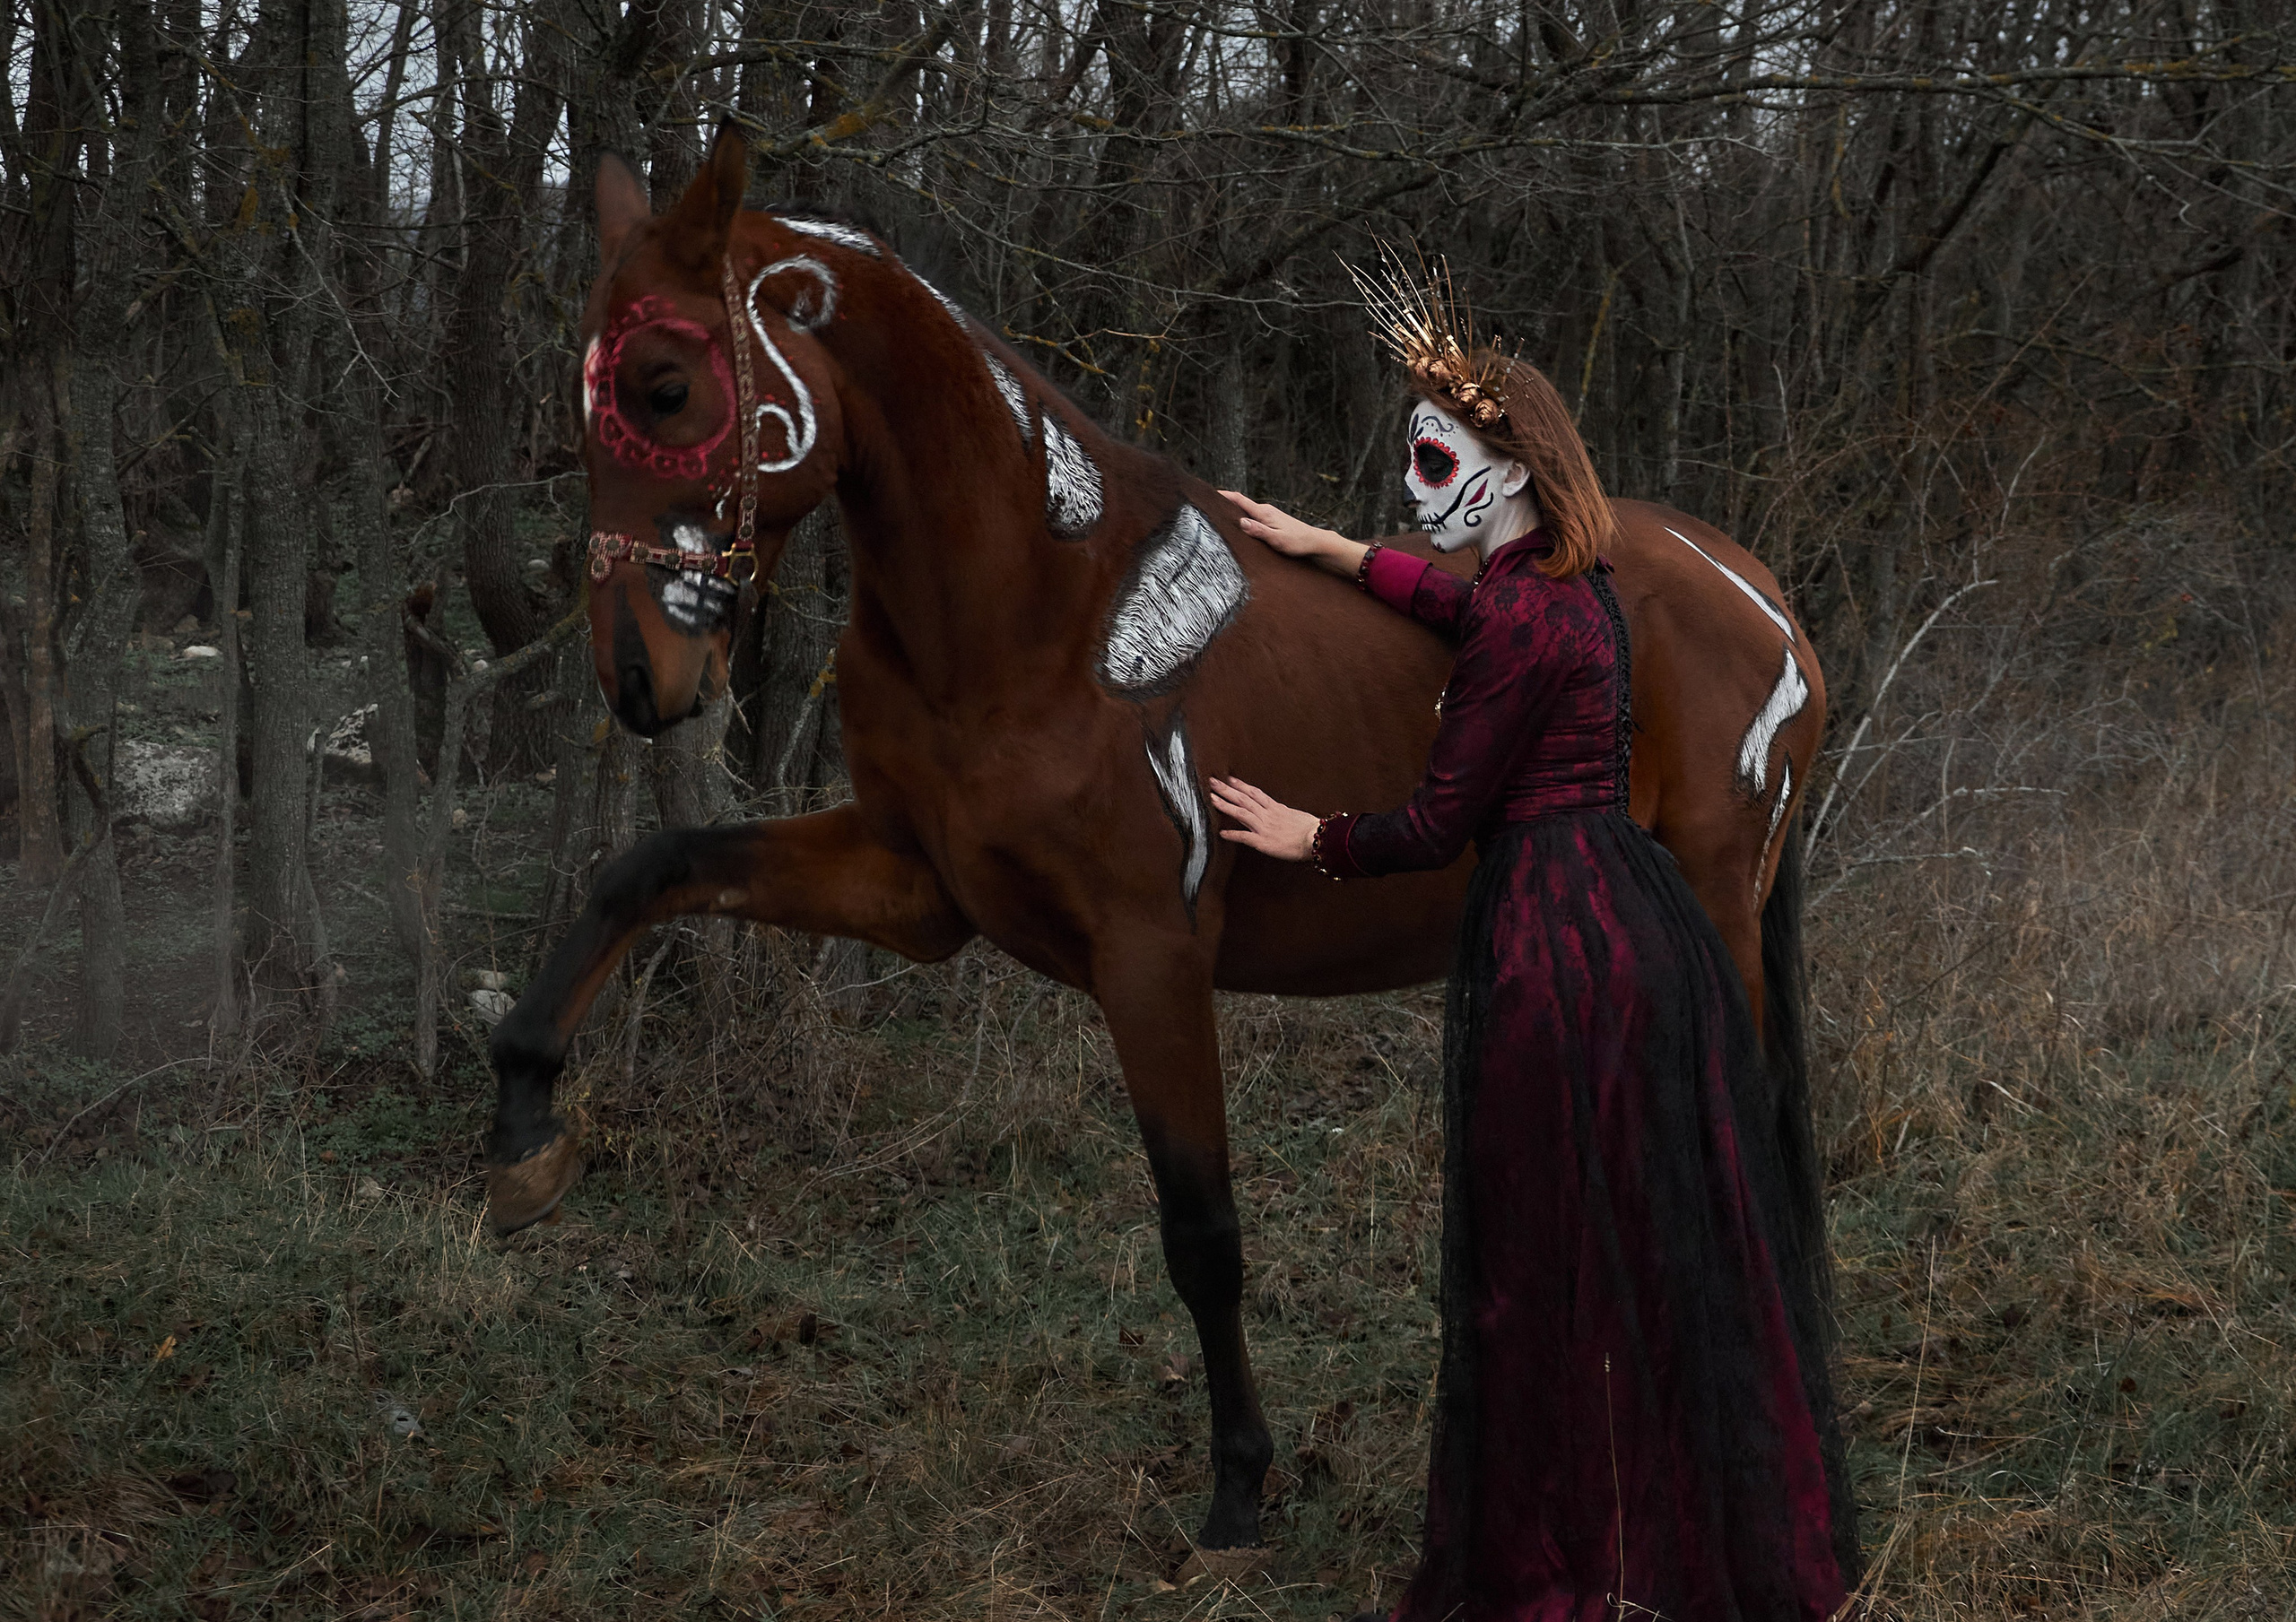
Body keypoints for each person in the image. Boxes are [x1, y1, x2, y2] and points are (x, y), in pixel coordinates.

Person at [1209, 264, 1855, 1621]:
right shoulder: (1583, 594)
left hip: (1551, 950)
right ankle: (1676, 1509)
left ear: (1503, 476)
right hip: (1643, 927)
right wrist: (1329, 551)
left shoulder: (1514, 620)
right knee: (1640, 1227)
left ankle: (1576, 1546)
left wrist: (1302, 837)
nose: (1416, 488)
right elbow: (1460, 606)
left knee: (1533, 1263)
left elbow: (1441, 821)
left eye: (1437, 459)